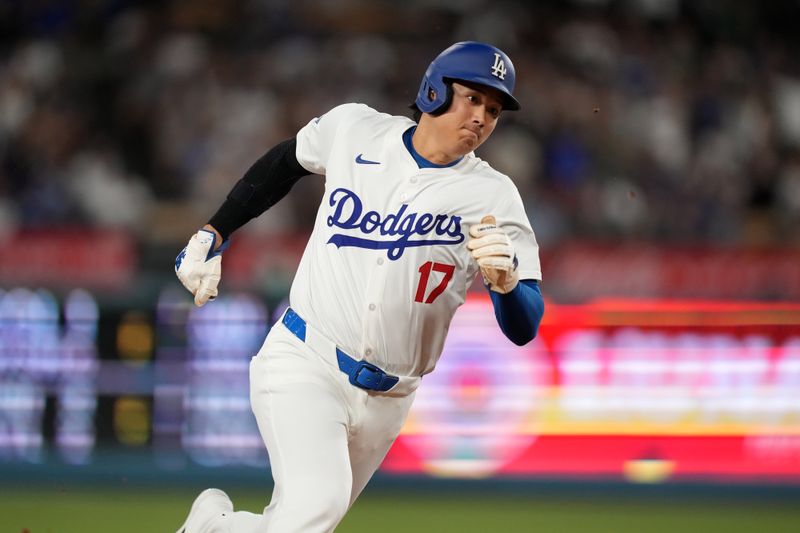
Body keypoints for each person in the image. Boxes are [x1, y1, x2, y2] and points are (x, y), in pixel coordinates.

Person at [174, 41, 545, 533]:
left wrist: (506, 284)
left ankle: (212, 528)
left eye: (494, 109)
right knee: (313, 512)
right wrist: (215, 231)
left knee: (296, 524)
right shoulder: (357, 130)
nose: (481, 116)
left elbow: (526, 324)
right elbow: (285, 163)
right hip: (307, 359)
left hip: (391, 399)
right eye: (472, 98)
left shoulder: (493, 194)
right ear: (433, 91)